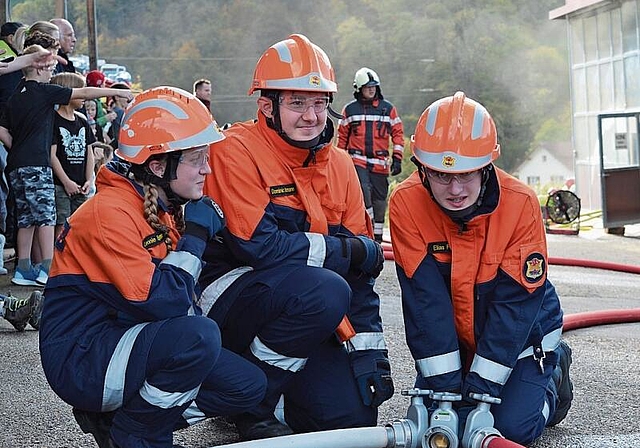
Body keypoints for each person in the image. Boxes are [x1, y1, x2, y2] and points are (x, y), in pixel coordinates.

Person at [39, 86, 267, 448]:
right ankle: (136, 433)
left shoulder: (158, 205)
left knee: (247, 386)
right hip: (82, 359)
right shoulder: (108, 213)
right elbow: (166, 301)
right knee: (199, 336)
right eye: (197, 159)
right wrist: (195, 233)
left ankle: (127, 423)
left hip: (120, 340)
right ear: (158, 166)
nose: (207, 169)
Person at [200, 34, 393, 441]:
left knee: (350, 420)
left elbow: (363, 272)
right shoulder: (235, 151)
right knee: (322, 289)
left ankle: (254, 395)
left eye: (320, 103)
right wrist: (348, 250)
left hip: (305, 305)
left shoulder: (340, 165)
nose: (311, 116)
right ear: (266, 106)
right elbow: (261, 247)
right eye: (297, 103)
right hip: (230, 299)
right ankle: (247, 398)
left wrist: (369, 356)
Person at [388, 91, 574, 445]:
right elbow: (425, 304)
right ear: (422, 168)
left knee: (513, 428)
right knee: (439, 421)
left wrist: (481, 393)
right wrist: (445, 395)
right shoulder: (406, 204)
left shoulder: (520, 204)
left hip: (521, 334)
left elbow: (515, 307)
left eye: (467, 174)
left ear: (488, 166)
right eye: (442, 176)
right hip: (456, 338)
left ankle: (553, 380)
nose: (455, 189)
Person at [0, 41, 133, 287]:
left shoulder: (15, 96)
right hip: (37, 165)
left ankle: (24, 268)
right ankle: (49, 267)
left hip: (16, 164)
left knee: (26, 219)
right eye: (49, 69)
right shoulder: (44, 91)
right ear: (38, 69)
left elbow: (2, 129)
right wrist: (117, 93)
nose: (52, 73)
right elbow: (83, 93)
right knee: (47, 216)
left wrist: (16, 146)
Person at [337, 67, 405, 243]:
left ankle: (377, 237)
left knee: (380, 200)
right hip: (356, 160)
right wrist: (339, 163)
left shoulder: (387, 109)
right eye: (368, 87)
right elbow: (342, 138)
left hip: (380, 163)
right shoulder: (350, 110)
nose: (372, 90)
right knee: (364, 193)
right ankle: (366, 231)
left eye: (374, 87)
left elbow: (397, 134)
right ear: (359, 89)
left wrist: (397, 158)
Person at [49, 72, 96, 237]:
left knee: (80, 223)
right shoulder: (53, 120)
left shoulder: (82, 120)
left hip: (81, 184)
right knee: (61, 224)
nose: (85, 96)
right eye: (81, 91)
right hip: (61, 185)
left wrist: (89, 179)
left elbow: (89, 152)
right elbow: (52, 155)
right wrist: (66, 182)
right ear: (68, 93)